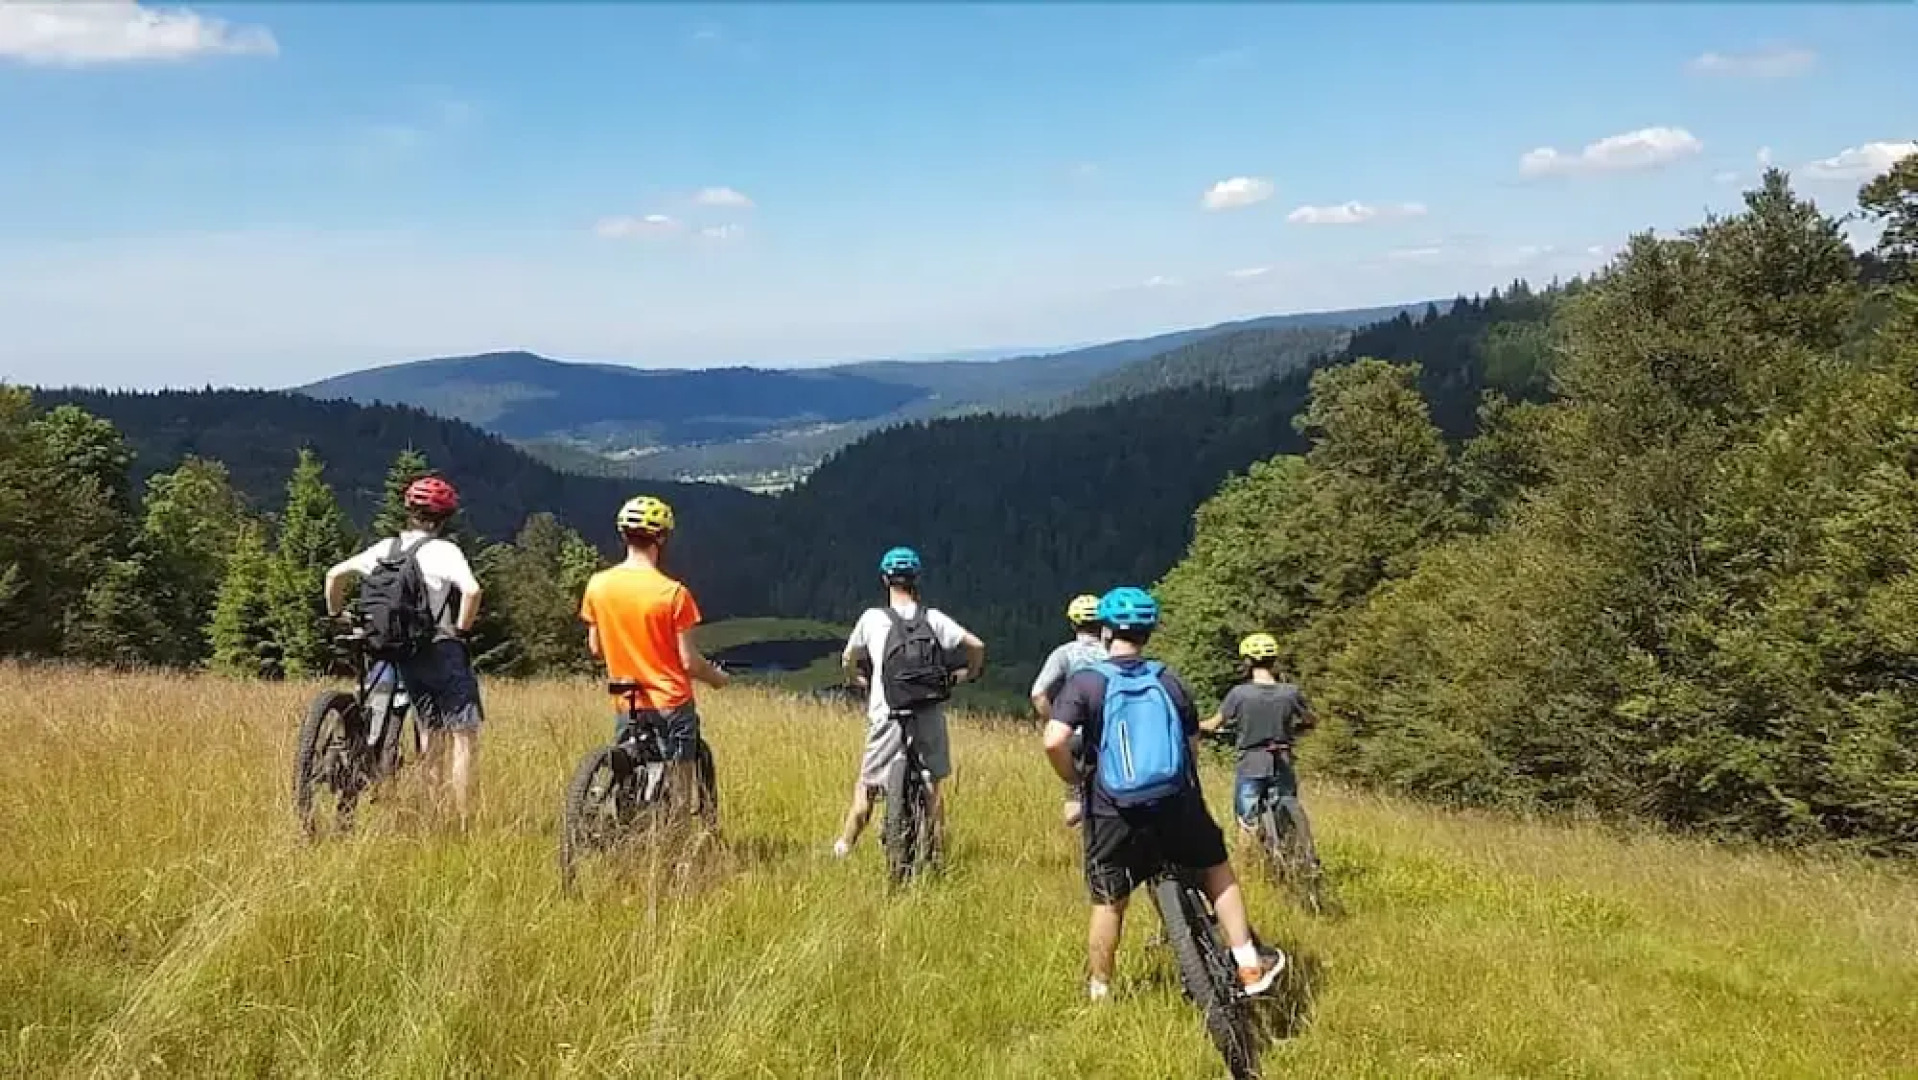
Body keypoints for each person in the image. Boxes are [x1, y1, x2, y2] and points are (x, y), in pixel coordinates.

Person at [1043, 586, 1284, 1001]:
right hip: (1175, 802)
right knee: (1216, 870)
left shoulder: (1086, 682)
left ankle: (1100, 993)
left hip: (1113, 810)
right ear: (1148, 633)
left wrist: (1077, 779)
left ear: (1105, 631)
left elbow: (1053, 740)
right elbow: (1191, 746)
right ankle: (1248, 965)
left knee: (1109, 902)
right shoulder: (1169, 680)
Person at [324, 475, 485, 827]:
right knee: (462, 736)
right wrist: (460, 631)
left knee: (429, 731)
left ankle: (431, 813)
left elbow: (334, 575)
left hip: (397, 651)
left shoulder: (385, 548)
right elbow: (472, 591)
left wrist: (337, 615)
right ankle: (460, 823)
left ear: (409, 512)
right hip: (438, 647)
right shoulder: (445, 551)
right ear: (444, 518)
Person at [578, 495, 730, 821]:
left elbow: (596, 647)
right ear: (661, 538)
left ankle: (624, 826)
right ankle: (677, 838)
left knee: (628, 769)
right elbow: (689, 662)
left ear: (623, 535)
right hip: (669, 699)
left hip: (626, 697)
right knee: (680, 779)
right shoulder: (673, 594)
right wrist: (717, 678)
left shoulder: (598, 586)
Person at [833, 546, 986, 859]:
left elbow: (848, 658)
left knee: (867, 788)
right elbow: (976, 645)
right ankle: (937, 854)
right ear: (917, 579)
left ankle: (843, 848)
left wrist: (856, 679)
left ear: (885, 580)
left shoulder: (872, 619)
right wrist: (969, 673)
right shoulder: (933, 618)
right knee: (932, 787)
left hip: (886, 714)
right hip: (927, 711)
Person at [1200, 633, 1320, 863]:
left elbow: (1214, 723)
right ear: (1274, 660)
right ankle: (1298, 855)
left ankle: (1246, 867)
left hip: (1251, 763)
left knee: (1247, 821)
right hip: (1282, 759)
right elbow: (1310, 719)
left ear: (1247, 661)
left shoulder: (1239, 694)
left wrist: (1194, 726)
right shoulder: (1290, 692)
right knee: (1286, 803)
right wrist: (1300, 727)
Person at [1030, 594, 1108, 719]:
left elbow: (1037, 694)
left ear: (1073, 624)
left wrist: (1057, 722)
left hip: (1073, 726)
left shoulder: (1063, 653)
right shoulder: (1114, 654)